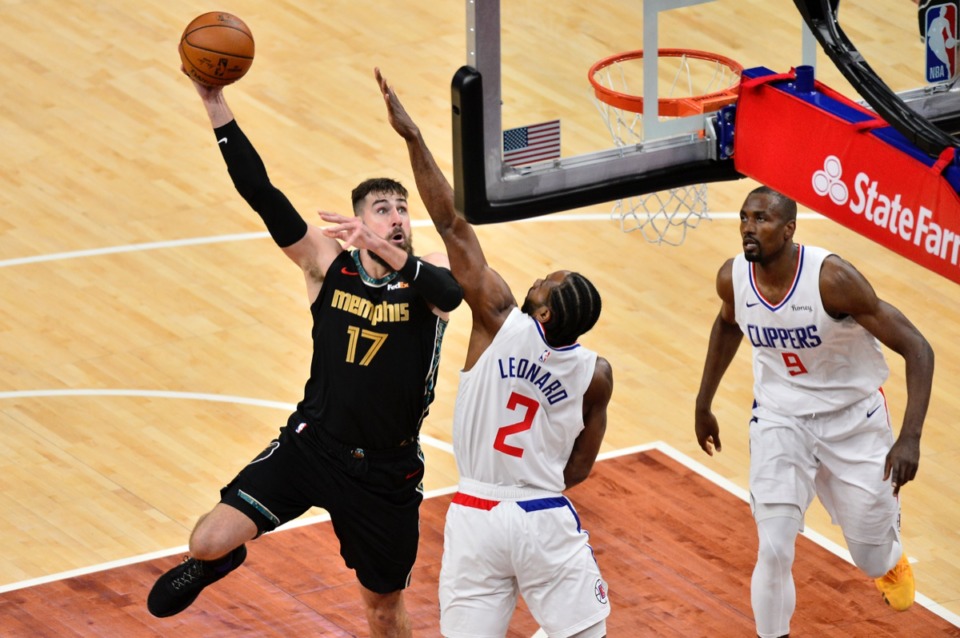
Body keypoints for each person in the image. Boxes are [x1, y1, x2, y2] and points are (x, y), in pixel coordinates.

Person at [146, 70, 464, 637]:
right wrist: (215, 104)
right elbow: (261, 193)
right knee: (205, 541)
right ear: (358, 219)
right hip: (313, 445)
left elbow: (452, 296)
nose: (395, 217)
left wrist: (385, 253)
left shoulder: (426, 284)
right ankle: (225, 559)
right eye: (381, 208)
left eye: (400, 209)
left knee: (383, 610)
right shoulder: (326, 264)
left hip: (386, 472)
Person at [375, 67, 613, 638]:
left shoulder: (498, 317)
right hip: (541, 514)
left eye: (547, 282)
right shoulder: (595, 374)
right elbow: (578, 468)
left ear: (546, 311)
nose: (539, 278)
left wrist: (413, 138)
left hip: (476, 513)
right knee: (586, 633)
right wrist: (530, 483)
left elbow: (452, 224)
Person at [694, 186, 934, 638]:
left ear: (789, 230)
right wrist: (703, 401)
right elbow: (728, 324)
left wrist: (910, 437)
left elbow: (918, 348)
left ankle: (889, 560)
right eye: (744, 217)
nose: (748, 227)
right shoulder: (734, 278)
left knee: (871, 555)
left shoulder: (831, 279)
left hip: (853, 423)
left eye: (761, 219)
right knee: (774, 546)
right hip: (780, 419)